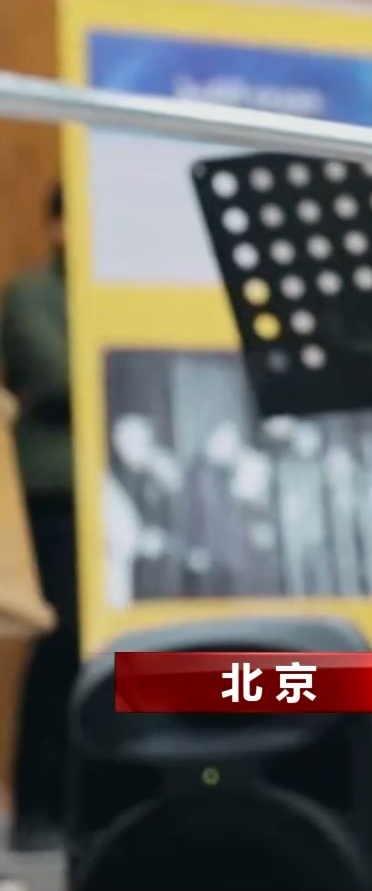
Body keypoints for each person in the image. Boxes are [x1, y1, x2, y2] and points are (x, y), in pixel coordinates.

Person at [1, 182, 75, 854]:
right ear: (54, 226)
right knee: (59, 646)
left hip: (111, 493)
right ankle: (38, 804)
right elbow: (55, 375)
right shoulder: (31, 295)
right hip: (57, 491)